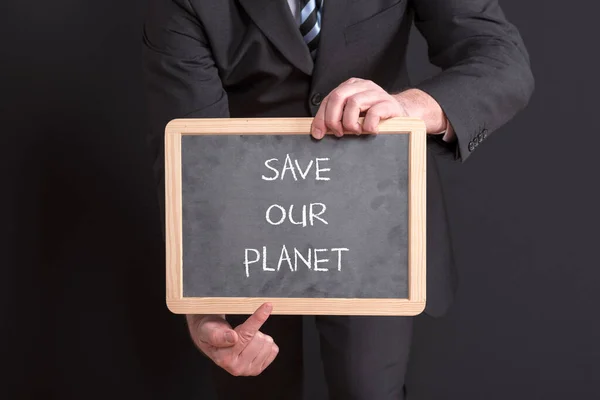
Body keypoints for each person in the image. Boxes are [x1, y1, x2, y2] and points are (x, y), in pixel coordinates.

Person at [142, 0, 534, 398]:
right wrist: (203, 309)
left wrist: (408, 106)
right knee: (253, 386)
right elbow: (188, 155)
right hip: (246, 226)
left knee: (369, 389)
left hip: (378, 218)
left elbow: (500, 57)